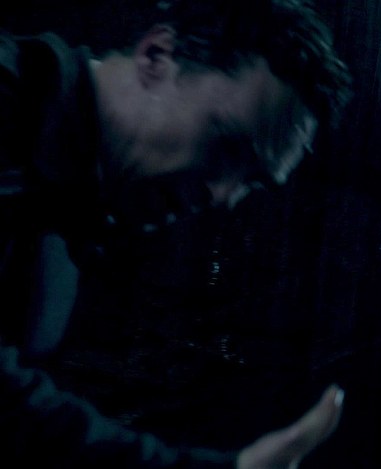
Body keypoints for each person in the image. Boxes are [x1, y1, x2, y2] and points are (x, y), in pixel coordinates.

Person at [0, 0, 352, 466]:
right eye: (227, 144)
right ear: (157, 55)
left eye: (252, 182)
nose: (222, 196)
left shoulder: (70, 207)